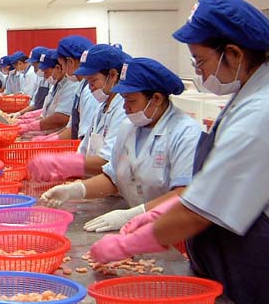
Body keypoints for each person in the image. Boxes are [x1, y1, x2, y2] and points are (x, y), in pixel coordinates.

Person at [91, 0, 269, 304]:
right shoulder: (249, 97)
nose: (199, 70)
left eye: (200, 60)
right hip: (234, 260)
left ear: (233, 54)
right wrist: (157, 215)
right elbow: (214, 183)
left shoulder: (266, 112)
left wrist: (130, 243)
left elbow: (201, 210)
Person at [41, 57, 202, 232]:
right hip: (138, 229)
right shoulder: (129, 127)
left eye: (131, 101)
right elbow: (113, 178)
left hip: (173, 231)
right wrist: (75, 191)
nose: (125, 107)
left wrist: (133, 214)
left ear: (156, 98)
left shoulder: (185, 133)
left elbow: (183, 194)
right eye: (123, 99)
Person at [27, 44, 130, 181]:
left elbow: (108, 162)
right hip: (93, 180)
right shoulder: (102, 107)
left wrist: (63, 164)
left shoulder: (122, 110)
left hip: (107, 184)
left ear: (112, 75)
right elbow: (84, 147)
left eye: (93, 81)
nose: (90, 87)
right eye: (88, 81)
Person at [16, 49, 78, 135]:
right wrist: (27, 119)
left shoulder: (71, 86)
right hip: (49, 132)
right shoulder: (55, 85)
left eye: (46, 72)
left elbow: (61, 118)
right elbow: (47, 111)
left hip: (58, 134)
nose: (44, 76)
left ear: (58, 68)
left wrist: (29, 127)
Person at [56, 35, 97, 140]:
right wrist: (51, 138)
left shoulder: (89, 92)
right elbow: (71, 127)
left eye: (62, 65)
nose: (63, 70)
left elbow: (85, 138)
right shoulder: (81, 87)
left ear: (70, 62)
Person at [12, 46, 50, 117]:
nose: (35, 70)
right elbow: (35, 102)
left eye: (36, 66)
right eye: (33, 66)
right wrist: (20, 113)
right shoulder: (40, 78)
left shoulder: (52, 80)